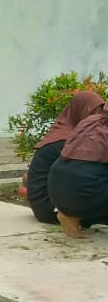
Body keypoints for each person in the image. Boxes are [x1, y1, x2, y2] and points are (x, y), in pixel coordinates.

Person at [25, 89, 105, 224]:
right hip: (50, 207)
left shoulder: (64, 134)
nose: (96, 118)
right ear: (78, 111)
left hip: (46, 203)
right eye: (92, 113)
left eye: (100, 113)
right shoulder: (68, 142)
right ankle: (69, 216)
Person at [47, 105, 108, 238]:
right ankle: (74, 215)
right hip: (84, 194)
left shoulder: (90, 121)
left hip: (57, 190)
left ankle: (70, 216)